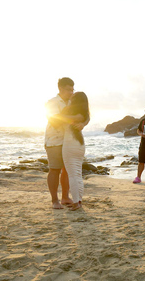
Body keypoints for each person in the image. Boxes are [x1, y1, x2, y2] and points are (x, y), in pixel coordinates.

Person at [44, 77, 86, 209]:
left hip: (69, 140)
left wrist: (82, 123)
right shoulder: (52, 102)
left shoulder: (73, 102)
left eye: (72, 90)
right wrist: (75, 118)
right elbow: (55, 119)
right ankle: (54, 200)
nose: (71, 92)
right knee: (55, 169)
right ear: (60, 88)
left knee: (67, 170)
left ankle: (65, 197)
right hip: (54, 140)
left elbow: (85, 115)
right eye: (68, 90)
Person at [59, 92, 90, 210]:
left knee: (72, 174)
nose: (71, 95)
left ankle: (76, 203)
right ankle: (79, 201)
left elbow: (57, 119)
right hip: (79, 144)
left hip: (70, 144)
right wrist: (82, 121)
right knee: (77, 173)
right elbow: (85, 118)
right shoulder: (84, 113)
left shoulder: (69, 110)